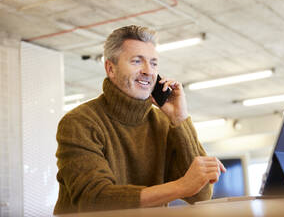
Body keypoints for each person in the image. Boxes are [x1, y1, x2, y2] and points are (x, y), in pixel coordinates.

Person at [54, 25, 226, 214]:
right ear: (110, 68)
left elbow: (200, 194)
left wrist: (180, 119)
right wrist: (180, 186)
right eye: (137, 61)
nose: (148, 71)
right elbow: (94, 199)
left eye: (153, 63)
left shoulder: (163, 123)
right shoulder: (79, 122)